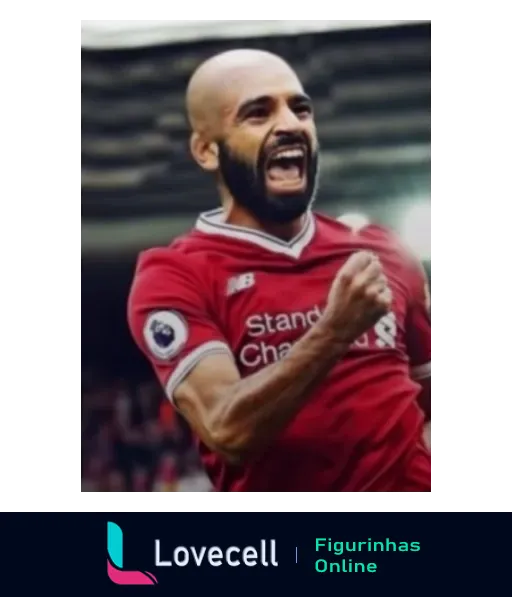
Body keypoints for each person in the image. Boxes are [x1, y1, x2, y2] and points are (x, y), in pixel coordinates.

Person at [128, 49, 432, 492]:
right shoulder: (173, 275)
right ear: (207, 150)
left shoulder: (383, 250)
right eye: (258, 113)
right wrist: (334, 331)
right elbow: (229, 431)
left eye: (300, 108)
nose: (290, 123)